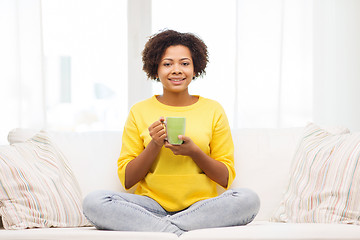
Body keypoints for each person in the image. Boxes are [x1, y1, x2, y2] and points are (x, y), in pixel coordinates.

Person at [83, 29, 260, 236]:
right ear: (155, 69)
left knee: (248, 199)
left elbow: (225, 178)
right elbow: (128, 180)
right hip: (150, 207)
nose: (176, 70)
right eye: (167, 64)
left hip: (200, 207)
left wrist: (194, 152)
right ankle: (178, 230)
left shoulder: (213, 110)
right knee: (94, 202)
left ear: (195, 69)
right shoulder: (139, 111)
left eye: (184, 63)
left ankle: (162, 230)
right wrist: (154, 144)